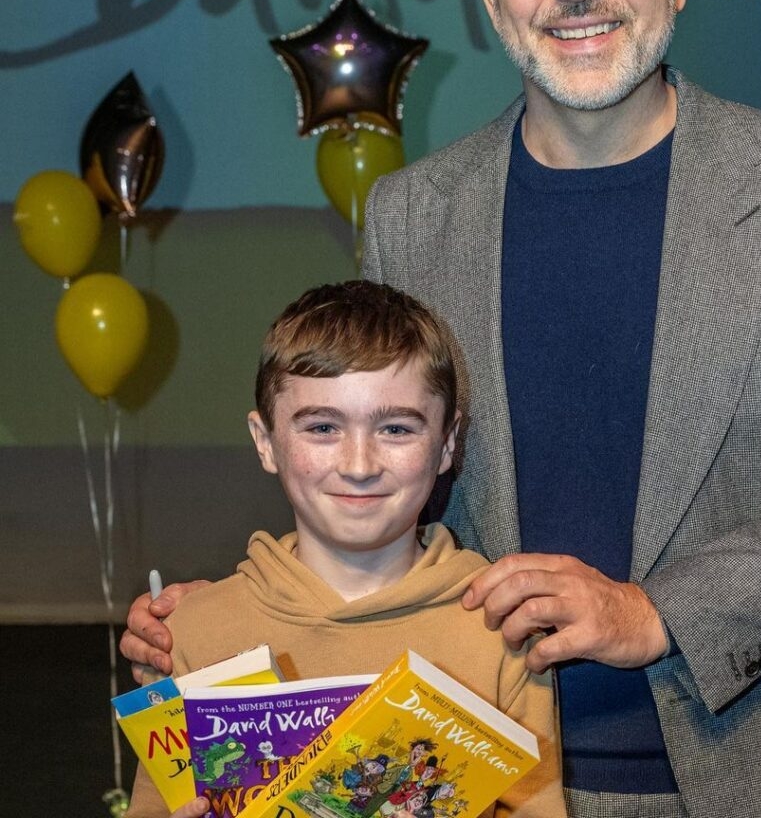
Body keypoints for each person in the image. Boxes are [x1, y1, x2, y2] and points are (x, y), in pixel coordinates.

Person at [123, 0, 761, 818]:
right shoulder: (412, 213)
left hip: (760, 773)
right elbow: (390, 483)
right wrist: (242, 619)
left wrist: (656, 612)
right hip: (476, 769)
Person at [123, 281, 565, 818]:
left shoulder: (503, 632)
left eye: (397, 428)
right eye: (324, 427)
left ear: (447, 444)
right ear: (265, 441)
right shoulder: (193, 632)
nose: (359, 465)